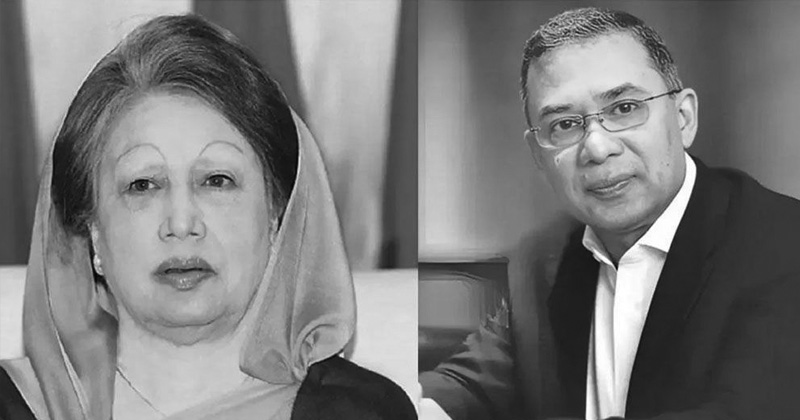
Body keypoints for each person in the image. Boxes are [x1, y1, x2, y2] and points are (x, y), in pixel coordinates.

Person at [0, 15, 415, 420]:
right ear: (92, 232)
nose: (181, 223)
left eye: (217, 181)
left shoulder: (360, 412)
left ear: (276, 216)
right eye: (143, 185)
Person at [420, 7, 800, 420]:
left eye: (624, 108)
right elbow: (466, 387)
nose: (598, 148)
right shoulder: (544, 263)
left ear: (684, 118)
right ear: (537, 155)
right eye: (565, 125)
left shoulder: (782, 247)